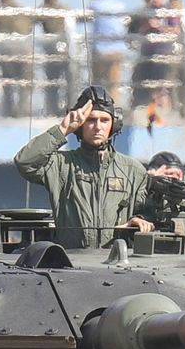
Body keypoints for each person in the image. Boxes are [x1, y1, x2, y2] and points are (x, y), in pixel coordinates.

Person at [14, 85, 152, 250]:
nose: (98, 127)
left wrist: (139, 219)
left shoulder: (133, 171)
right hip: (72, 261)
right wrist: (63, 129)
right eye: (91, 120)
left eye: (105, 120)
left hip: (117, 262)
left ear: (114, 125)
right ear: (80, 126)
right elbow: (25, 162)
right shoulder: (62, 165)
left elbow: (149, 211)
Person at [0, 0, 33, 118]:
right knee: (24, 83)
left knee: (8, 83)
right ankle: (23, 111)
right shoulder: (23, 11)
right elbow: (29, 28)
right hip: (24, 50)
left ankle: (9, 111)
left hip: (6, 51)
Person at [88, 0, 127, 101]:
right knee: (114, 82)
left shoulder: (95, 5)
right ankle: (113, 106)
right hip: (117, 48)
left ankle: (97, 104)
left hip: (100, 49)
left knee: (97, 81)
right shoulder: (120, 6)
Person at [39, 0, 68, 114]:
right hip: (62, 49)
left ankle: (54, 108)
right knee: (60, 82)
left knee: (53, 83)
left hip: (54, 49)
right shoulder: (63, 9)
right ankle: (59, 108)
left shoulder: (44, 10)